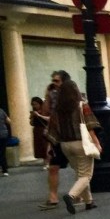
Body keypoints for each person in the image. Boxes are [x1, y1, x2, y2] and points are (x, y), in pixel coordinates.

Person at [47, 79, 101, 213]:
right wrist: (96, 142)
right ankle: (71, 196)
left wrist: (51, 146)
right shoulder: (82, 105)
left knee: (80, 173)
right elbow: (90, 125)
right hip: (81, 143)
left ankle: (89, 202)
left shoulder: (57, 109)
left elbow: (52, 130)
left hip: (65, 145)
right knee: (86, 175)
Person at [39, 73, 67, 210]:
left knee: (79, 167)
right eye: (53, 81)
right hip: (57, 138)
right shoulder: (52, 95)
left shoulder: (72, 96)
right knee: (53, 167)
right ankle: (53, 197)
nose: (54, 83)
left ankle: (80, 195)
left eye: (57, 81)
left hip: (71, 137)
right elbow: (45, 112)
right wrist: (47, 94)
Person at [30, 96, 49, 166]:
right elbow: (32, 123)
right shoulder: (34, 112)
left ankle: (48, 161)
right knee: (40, 146)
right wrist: (32, 117)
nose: (34, 106)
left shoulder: (45, 110)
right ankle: (45, 161)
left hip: (45, 129)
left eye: (36, 104)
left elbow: (49, 119)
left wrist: (39, 115)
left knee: (46, 146)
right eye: (33, 104)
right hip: (37, 130)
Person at [0, 106, 10, 177]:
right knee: (2, 153)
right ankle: (5, 171)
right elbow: (9, 121)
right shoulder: (1, 111)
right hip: (3, 134)